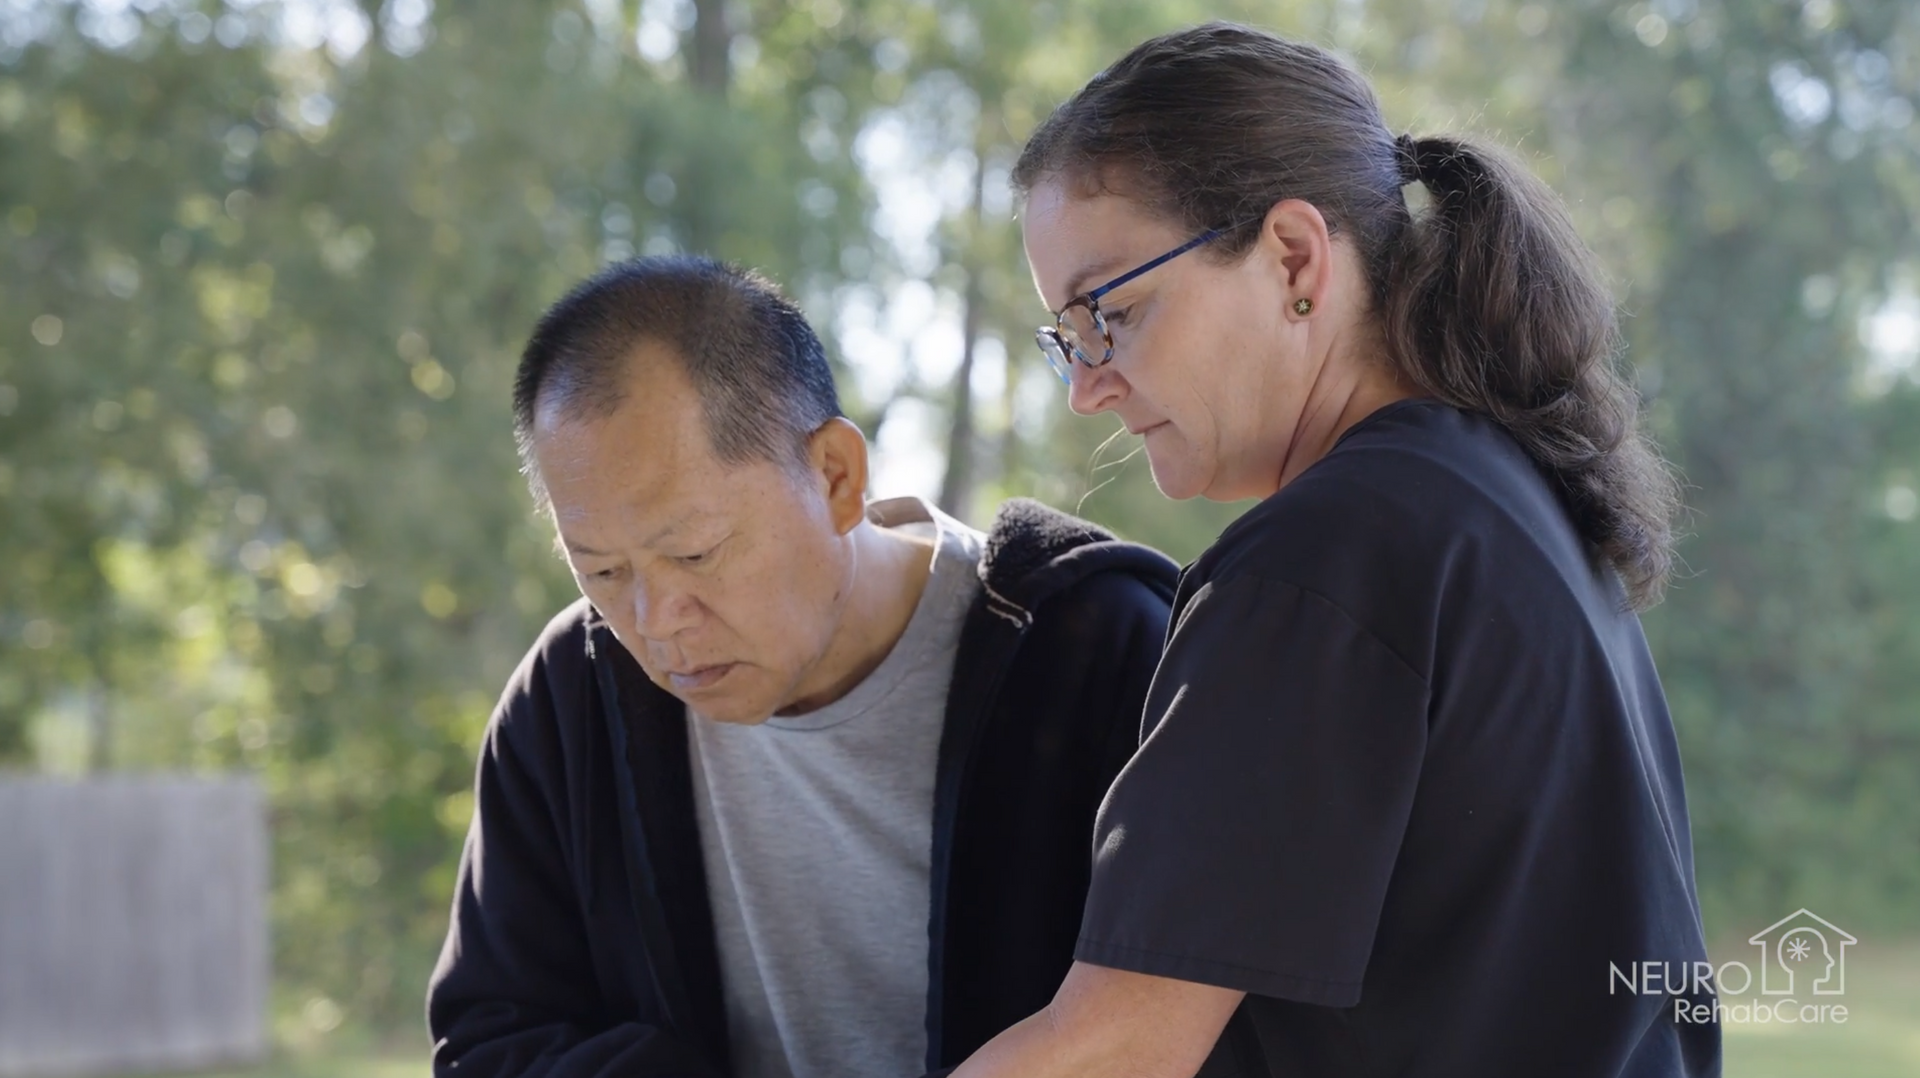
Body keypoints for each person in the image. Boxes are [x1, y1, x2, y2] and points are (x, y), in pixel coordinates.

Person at [949, 23, 1721, 1078]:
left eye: (1113, 311)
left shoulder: (1325, 557)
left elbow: (1112, 1052)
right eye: (1066, 339)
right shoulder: (1494, 495)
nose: (1088, 383)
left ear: (1295, 258)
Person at [425, 256, 1179, 1078]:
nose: (654, 623)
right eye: (602, 572)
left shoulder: (1099, 654)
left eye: (696, 552)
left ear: (835, 477)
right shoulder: (571, 696)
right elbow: (492, 1041)